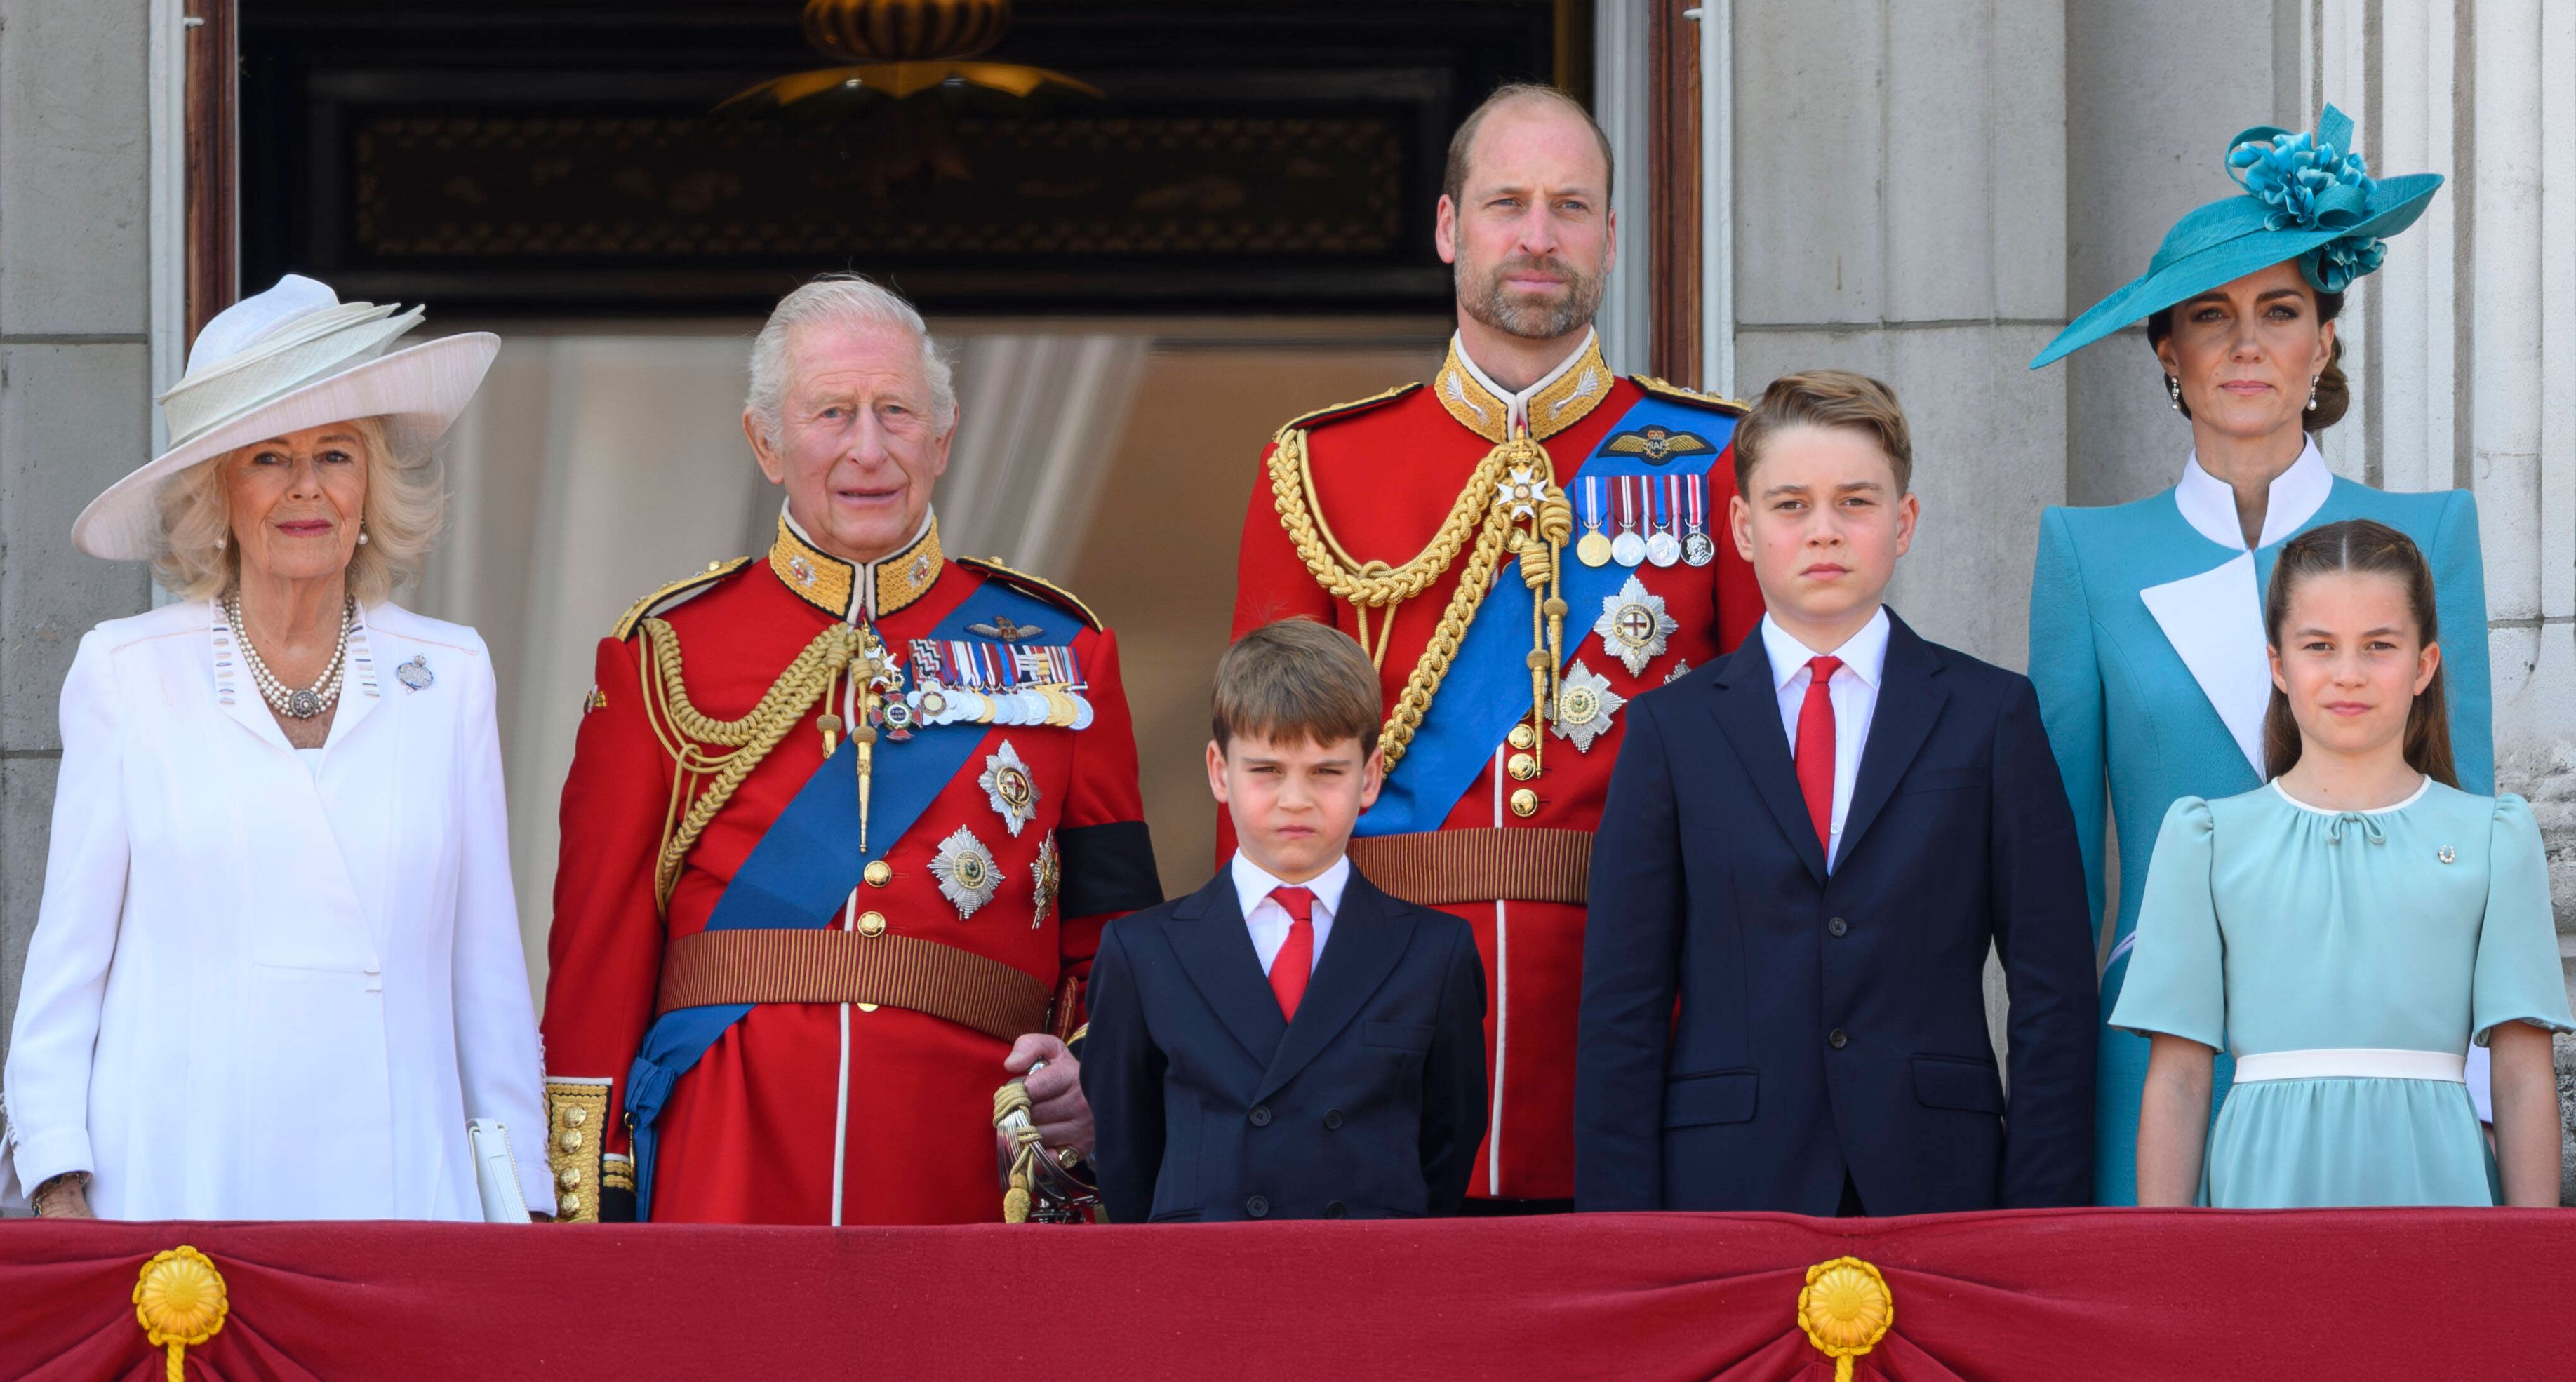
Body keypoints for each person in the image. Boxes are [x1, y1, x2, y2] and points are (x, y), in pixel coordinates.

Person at [1228, 81, 1766, 1214]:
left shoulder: (1718, 463)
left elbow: (1764, 782)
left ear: (1613, 238)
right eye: (1506, 203)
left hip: (1637, 1014)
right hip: (1377, 1025)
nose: (1536, 236)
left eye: (1570, 207)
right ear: (1446, 228)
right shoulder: (1322, 470)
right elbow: (1265, 790)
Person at [540, 272, 1162, 1225]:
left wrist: (1089, 1085)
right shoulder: (664, 654)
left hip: (962, 1168)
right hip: (724, 1159)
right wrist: (587, 1199)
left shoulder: (1063, 656)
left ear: (945, 438)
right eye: (831, 413)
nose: (868, 450)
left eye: (897, 413)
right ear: (766, 442)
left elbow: (1112, 942)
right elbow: (600, 959)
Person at [0, 274, 547, 1221]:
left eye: (336, 454)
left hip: (404, 1199)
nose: (306, 489)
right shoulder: (128, 672)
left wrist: (522, 1199)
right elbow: (67, 960)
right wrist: (56, 1178)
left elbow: (486, 970)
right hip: (178, 1187)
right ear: (218, 492)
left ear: (371, 484)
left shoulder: (450, 675)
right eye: (268, 459)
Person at [2025, 103, 2495, 1205]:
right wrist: (2047, 1094)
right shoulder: (2085, 553)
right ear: (2166, 350)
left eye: (2279, 311)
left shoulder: (2429, 532)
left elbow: (2468, 820)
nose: (2246, 345)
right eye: (2210, 316)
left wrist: (2474, 1075)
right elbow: (2058, 872)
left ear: (2323, 339)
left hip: (2385, 1042)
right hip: (2158, 1041)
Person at [1573, 372, 2097, 1216]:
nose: (1823, 531)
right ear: (1742, 528)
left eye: (1855, 502)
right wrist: (1619, 1237)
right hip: (1723, 1185)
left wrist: (2040, 1215)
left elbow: (2053, 989)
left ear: (1903, 522)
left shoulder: (1990, 714)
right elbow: (1622, 1004)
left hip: (1940, 1182)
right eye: (1790, 505)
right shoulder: (1670, 732)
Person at [2114, 520, 2570, 1207]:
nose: (2348, 674)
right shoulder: (2207, 839)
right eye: (2319, 646)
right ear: (2278, 665)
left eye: (2378, 646)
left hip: (2439, 1191)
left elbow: (2521, 1072)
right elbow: (2178, 1079)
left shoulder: (2491, 836)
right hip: (2263, 1193)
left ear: (2423, 665)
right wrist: (2163, 1271)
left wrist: (2537, 1260)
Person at [1083, 622, 1489, 1223]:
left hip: (1371, 1283)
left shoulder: (1435, 951)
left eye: (1326, 771)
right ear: (1220, 771)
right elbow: (1126, 1154)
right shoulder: (1142, 953)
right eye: (1267, 770)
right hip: (1204, 1284)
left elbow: (1446, 1146)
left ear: (1370, 777)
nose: (1295, 799)